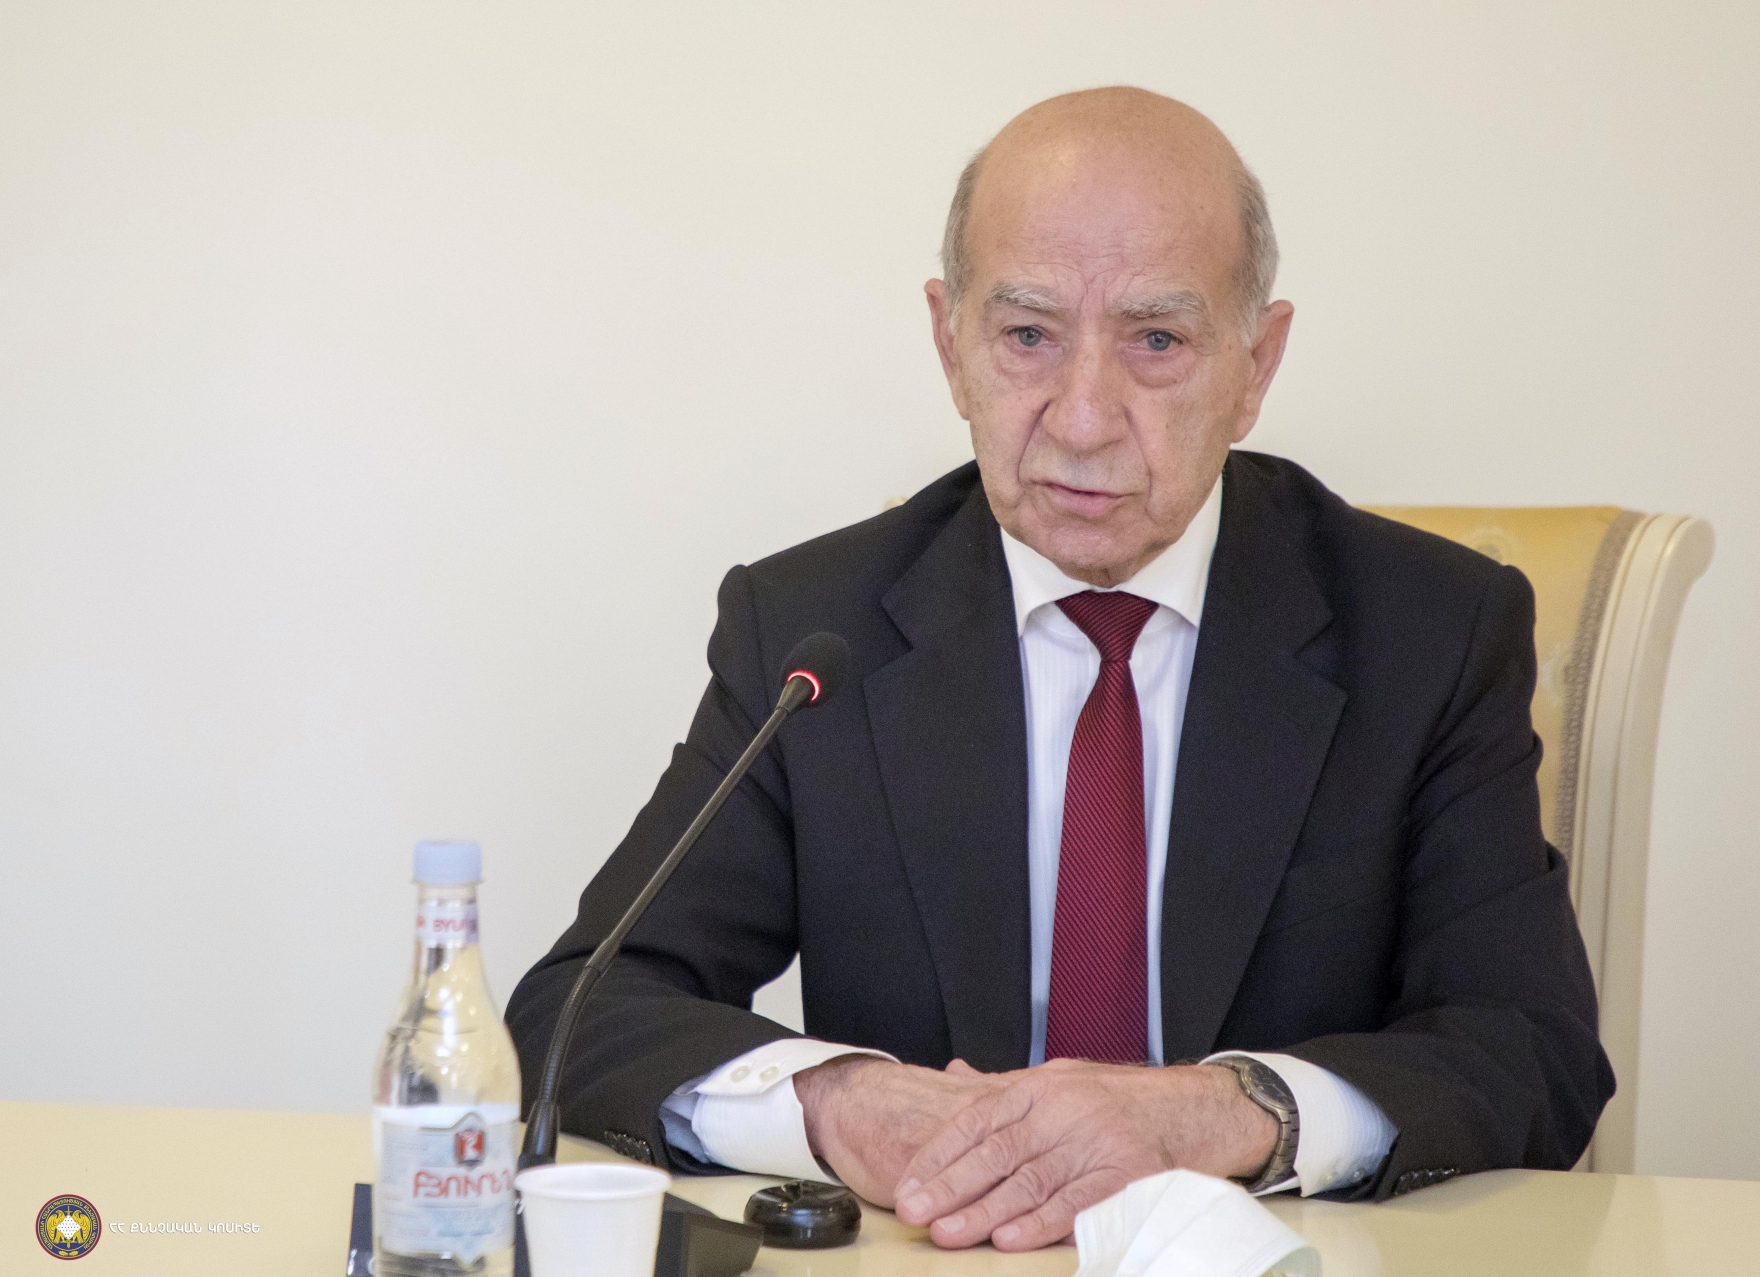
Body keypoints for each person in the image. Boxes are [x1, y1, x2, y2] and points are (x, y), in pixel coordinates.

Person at [506, 86, 1612, 1252]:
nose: (1083, 419)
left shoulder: (1430, 632)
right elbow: (584, 1004)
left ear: (1256, 364)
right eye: (1028, 335)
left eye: (1157, 341)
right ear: (951, 345)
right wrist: (841, 1101)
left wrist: (1218, 1113)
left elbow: (1527, 1046)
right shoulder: (813, 631)